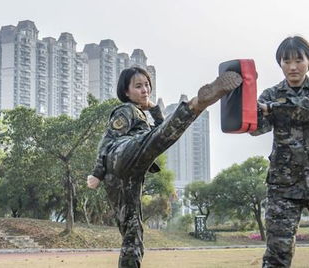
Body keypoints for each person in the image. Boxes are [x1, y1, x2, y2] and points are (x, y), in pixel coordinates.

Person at [87, 66, 242, 267]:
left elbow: (162, 132)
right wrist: (96, 173)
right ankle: (195, 105)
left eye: (147, 86)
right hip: (121, 154)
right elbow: (108, 141)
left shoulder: (141, 114)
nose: (145, 90)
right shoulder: (126, 110)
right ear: (126, 92)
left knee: (132, 233)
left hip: (128, 175)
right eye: (138, 86)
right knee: (156, 138)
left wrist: (153, 108)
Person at [250, 36, 309, 268]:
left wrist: (272, 109)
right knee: (277, 256)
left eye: (298, 60)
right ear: (280, 64)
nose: (292, 67)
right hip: (283, 187)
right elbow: (257, 129)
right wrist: (245, 107)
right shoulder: (270, 94)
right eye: (286, 61)